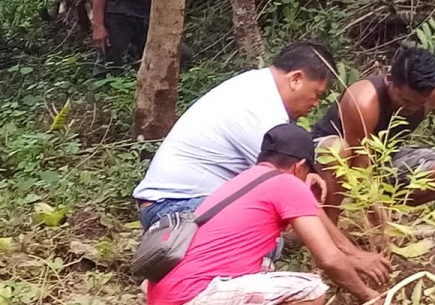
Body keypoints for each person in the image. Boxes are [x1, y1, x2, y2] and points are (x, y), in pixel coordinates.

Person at [132, 41, 390, 278]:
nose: (315, 104)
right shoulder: (259, 112)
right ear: (296, 79)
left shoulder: (256, 88)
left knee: (272, 233)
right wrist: (349, 252)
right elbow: (291, 195)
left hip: (187, 202)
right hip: (172, 208)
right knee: (265, 241)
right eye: (317, 94)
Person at [146, 123, 388, 305]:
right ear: (300, 166)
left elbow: (317, 222)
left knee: (266, 269)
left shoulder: (244, 180)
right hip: (196, 294)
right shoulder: (287, 183)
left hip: (166, 294)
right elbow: (328, 259)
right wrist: (367, 296)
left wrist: (352, 254)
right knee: (311, 290)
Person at [311, 46, 435, 224]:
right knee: (339, 150)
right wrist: (376, 214)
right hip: (333, 161)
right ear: (390, 80)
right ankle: (329, 228)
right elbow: (360, 166)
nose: (412, 108)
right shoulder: (364, 101)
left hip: (381, 159)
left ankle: (378, 215)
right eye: (405, 100)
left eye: (420, 103)